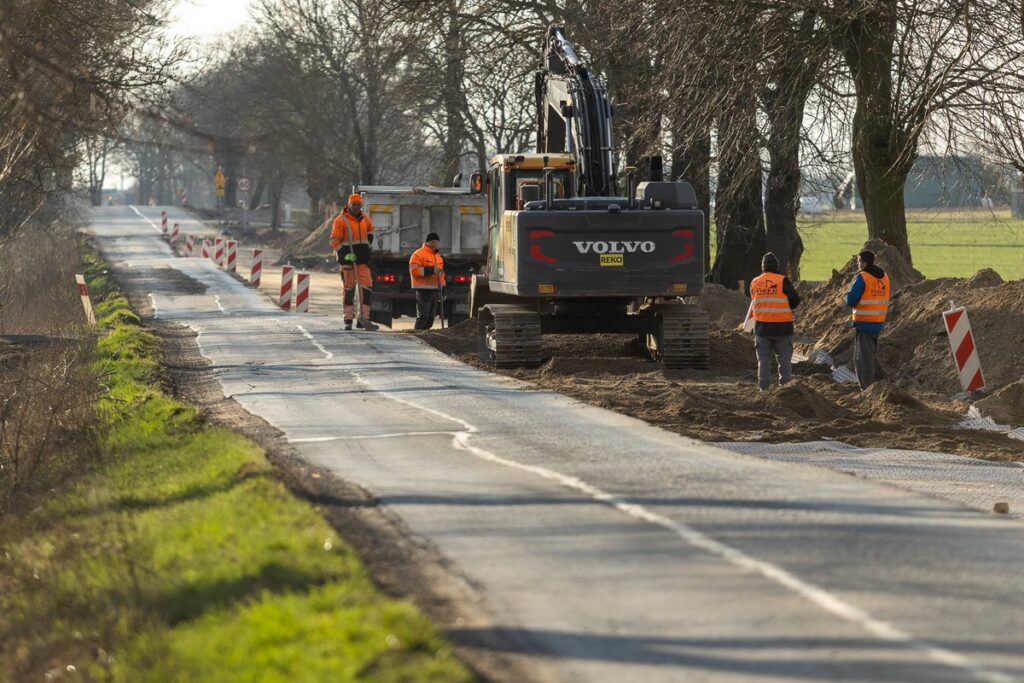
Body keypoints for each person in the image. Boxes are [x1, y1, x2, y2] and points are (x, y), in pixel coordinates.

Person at [748, 252, 801, 390]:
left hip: (762, 328)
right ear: (776, 266)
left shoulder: (754, 282)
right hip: (783, 328)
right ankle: (785, 389)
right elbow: (795, 301)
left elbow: (754, 299)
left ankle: (764, 389)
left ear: (763, 267)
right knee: (784, 361)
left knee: (763, 360)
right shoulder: (782, 280)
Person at [331, 193, 378, 331]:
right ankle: (348, 319)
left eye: (359, 205)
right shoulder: (341, 221)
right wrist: (346, 255)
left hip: (362, 261)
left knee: (366, 288)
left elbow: (371, 229)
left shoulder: (365, 218)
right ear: (349, 205)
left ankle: (363, 318)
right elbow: (334, 240)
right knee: (349, 289)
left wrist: (368, 241)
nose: (357, 207)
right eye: (354, 205)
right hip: (348, 262)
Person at [845, 249, 890, 389]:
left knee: (862, 359)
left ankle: (868, 388)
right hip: (878, 320)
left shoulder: (863, 277)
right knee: (870, 354)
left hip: (864, 322)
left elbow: (851, 299)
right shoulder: (884, 277)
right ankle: (881, 379)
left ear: (864, 262)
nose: (857, 264)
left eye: (859, 261)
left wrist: (846, 298)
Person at [409, 232, 446, 330]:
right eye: (432, 242)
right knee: (423, 316)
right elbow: (415, 271)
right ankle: (417, 335)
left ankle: (425, 335)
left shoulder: (438, 257)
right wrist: (432, 270)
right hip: (423, 289)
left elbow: (441, 276)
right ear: (427, 242)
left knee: (430, 317)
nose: (434, 244)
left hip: (434, 289)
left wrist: (443, 290)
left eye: (436, 242)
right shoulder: (418, 254)